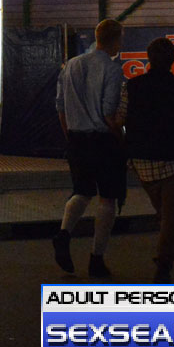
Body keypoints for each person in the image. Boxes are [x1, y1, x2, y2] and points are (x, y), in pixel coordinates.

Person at [116, 38, 174, 283]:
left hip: (142, 162)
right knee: (170, 218)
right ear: (173, 60)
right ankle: (164, 267)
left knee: (167, 217)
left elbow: (120, 119)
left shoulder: (131, 86)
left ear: (148, 58)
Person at [52, 19, 125, 278]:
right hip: (103, 140)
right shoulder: (112, 69)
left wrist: (70, 135)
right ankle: (96, 257)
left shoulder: (71, 65)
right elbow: (108, 114)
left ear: (97, 36)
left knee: (82, 191)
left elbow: (60, 108)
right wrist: (120, 137)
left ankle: (63, 234)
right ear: (116, 41)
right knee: (108, 198)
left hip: (76, 138)